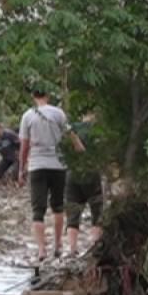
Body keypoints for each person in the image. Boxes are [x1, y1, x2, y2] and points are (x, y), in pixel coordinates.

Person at [19, 87, 82, 261]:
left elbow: (24, 146)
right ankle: (58, 245)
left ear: (33, 97)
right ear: (47, 96)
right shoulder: (58, 113)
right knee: (58, 206)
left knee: (37, 210)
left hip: (37, 166)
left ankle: (41, 250)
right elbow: (71, 134)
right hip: (58, 165)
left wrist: (21, 169)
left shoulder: (27, 116)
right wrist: (80, 151)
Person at [62, 110, 110, 257]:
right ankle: (95, 246)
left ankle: (72, 249)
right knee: (96, 211)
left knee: (73, 213)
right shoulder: (99, 132)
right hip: (91, 174)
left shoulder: (73, 128)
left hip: (72, 174)